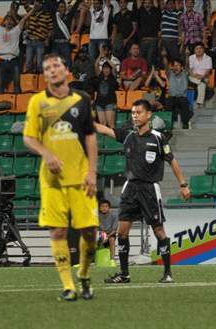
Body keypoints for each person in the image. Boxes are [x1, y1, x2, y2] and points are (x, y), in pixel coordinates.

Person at [23, 53, 99, 302]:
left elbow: (90, 137)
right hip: (52, 181)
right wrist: (46, 154)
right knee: (58, 233)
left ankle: (84, 275)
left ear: (67, 71)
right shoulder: (37, 102)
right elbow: (29, 137)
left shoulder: (82, 100)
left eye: (56, 65)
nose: (52, 70)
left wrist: (91, 172)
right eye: (47, 68)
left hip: (80, 178)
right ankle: (68, 286)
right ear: (44, 76)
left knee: (89, 233)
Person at [94, 99, 191, 283]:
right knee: (122, 232)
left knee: (158, 231)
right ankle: (124, 274)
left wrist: (183, 185)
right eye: (133, 113)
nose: (135, 116)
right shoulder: (128, 135)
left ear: (148, 115)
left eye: (138, 112)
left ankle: (168, 273)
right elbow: (105, 130)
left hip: (149, 188)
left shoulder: (158, 137)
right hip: (130, 188)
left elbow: (172, 160)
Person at [25, 0, 53, 73]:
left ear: (42, 4)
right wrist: (32, 7)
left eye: (40, 3)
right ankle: (28, 77)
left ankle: (39, 78)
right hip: (30, 41)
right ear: (34, 3)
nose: (38, 4)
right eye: (36, 2)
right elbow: (24, 3)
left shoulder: (47, 15)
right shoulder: (30, 11)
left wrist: (47, 38)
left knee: (40, 62)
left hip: (40, 42)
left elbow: (50, 29)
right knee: (28, 61)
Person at [164, 57, 192, 129]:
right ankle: (168, 124)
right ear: (172, 67)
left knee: (184, 104)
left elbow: (187, 66)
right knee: (168, 103)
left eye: (178, 65)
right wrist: (164, 57)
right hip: (172, 97)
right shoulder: (170, 74)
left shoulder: (185, 74)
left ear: (181, 67)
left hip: (182, 97)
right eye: (174, 66)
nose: (176, 67)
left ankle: (185, 124)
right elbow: (165, 66)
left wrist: (187, 56)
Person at [137, 0, 162, 69]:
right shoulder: (140, 11)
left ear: (152, 4)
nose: (147, 5)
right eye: (145, 3)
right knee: (141, 62)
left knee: (150, 61)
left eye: (149, 3)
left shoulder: (156, 12)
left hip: (153, 41)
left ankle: (150, 78)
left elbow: (156, 5)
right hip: (143, 41)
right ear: (143, 4)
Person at [93, 62, 118, 127]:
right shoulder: (99, 77)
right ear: (102, 69)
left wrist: (106, 58)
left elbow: (114, 67)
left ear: (110, 70)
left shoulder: (113, 78)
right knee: (102, 124)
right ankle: (105, 137)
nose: (106, 70)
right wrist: (101, 55)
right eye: (104, 68)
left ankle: (116, 136)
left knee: (110, 124)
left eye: (108, 68)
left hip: (110, 103)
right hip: (99, 103)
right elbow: (96, 65)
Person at [188, 42, 212, 107]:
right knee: (202, 83)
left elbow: (208, 71)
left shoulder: (208, 58)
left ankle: (198, 104)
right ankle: (199, 104)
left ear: (203, 49)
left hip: (204, 77)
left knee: (202, 84)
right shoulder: (191, 57)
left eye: (200, 48)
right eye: (197, 48)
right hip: (193, 77)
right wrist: (195, 76)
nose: (199, 50)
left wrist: (202, 76)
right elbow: (190, 70)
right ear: (194, 50)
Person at [52, 1, 73, 68]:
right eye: (60, 7)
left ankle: (69, 77)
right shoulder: (55, 17)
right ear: (58, 8)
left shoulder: (68, 16)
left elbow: (75, 6)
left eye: (63, 7)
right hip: (55, 43)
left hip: (65, 43)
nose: (62, 9)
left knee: (68, 62)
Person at [98, 199, 118, 266]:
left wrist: (107, 237)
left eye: (106, 206)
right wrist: (102, 236)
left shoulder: (114, 215)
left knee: (112, 239)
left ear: (109, 208)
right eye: (102, 206)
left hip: (110, 235)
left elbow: (114, 230)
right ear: (99, 208)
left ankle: (112, 260)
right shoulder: (97, 216)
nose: (104, 208)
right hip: (100, 234)